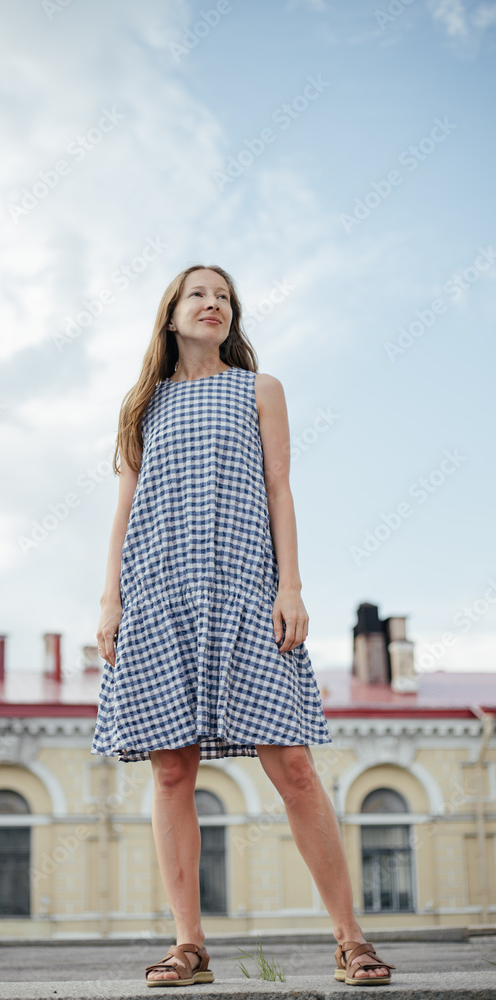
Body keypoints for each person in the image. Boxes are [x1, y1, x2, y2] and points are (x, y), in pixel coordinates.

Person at [92, 265, 396, 988]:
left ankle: (350, 938)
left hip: (244, 591)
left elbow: (278, 487)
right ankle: (188, 945)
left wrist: (289, 586)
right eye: (197, 294)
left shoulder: (260, 390)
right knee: (171, 770)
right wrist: (110, 600)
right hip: (159, 594)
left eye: (223, 297)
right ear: (171, 315)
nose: (212, 304)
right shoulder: (144, 404)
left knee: (291, 765)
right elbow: (125, 505)